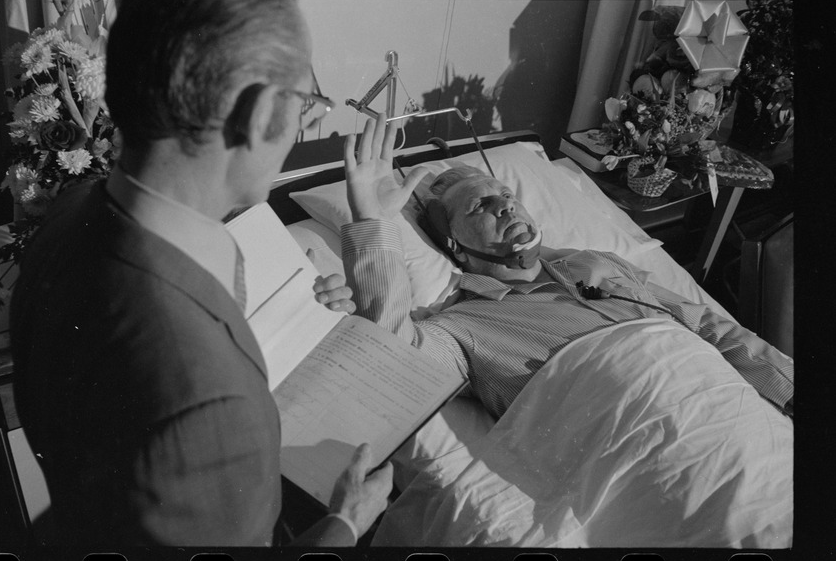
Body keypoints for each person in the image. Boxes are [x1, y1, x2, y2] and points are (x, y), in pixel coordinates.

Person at [10, 0, 392, 547]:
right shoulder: (215, 409)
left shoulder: (69, 216)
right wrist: (344, 523)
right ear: (259, 116)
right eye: (307, 103)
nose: (307, 124)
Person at [340, 116, 794, 421]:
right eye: (482, 204)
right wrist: (372, 222)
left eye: (507, 195)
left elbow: (710, 327)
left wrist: (791, 392)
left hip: (729, 402)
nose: (506, 207)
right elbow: (395, 355)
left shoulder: (597, 263)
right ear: (454, 246)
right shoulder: (462, 325)